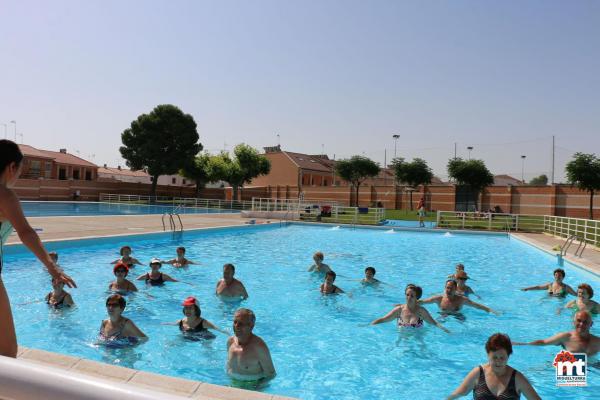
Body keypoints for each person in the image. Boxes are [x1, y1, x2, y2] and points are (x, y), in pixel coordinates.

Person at [0, 139, 77, 357]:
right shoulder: (4, 195)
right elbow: (26, 233)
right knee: (7, 350)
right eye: (20, 171)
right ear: (11, 167)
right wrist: (54, 269)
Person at [447, 333, 541, 399]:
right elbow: (457, 394)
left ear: (508, 356)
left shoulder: (517, 379)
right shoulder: (478, 374)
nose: (498, 361)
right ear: (488, 355)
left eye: (502, 358)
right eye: (494, 357)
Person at [514, 310, 600, 356]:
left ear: (591, 324)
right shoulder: (565, 337)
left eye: (585, 322)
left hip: (593, 368)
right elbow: (543, 342)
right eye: (579, 321)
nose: (581, 324)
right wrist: (521, 344)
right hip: (571, 367)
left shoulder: (598, 341)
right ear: (573, 322)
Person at [371, 284, 449, 333]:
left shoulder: (421, 311)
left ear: (416, 298)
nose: (409, 297)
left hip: (418, 340)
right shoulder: (399, 310)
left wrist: (446, 330)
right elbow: (383, 319)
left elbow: (434, 323)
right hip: (402, 341)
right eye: (407, 295)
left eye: (412, 296)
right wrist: (369, 325)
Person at [227, 308, 275, 381]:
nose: (236, 326)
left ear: (251, 326)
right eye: (235, 322)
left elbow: (271, 374)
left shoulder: (259, 348)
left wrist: (257, 388)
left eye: (241, 323)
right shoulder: (230, 342)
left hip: (253, 386)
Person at [420, 280, 499, 315]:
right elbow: (424, 301)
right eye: (447, 288)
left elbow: (477, 306)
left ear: (455, 289)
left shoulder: (461, 299)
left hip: (458, 315)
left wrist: (490, 310)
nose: (449, 290)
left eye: (451, 288)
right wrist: (414, 301)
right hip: (443, 314)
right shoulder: (439, 298)